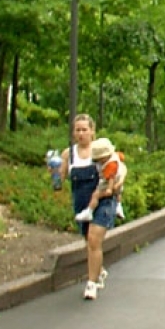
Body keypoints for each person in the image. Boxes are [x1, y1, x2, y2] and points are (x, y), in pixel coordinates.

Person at [61, 115, 123, 301]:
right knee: (88, 241)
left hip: (104, 200)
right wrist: (54, 172)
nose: (80, 134)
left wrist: (113, 189)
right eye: (77, 130)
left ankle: (91, 284)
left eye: (84, 130)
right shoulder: (68, 154)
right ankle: (98, 270)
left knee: (94, 240)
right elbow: (62, 176)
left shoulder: (102, 151)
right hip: (81, 201)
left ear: (92, 132)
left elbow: (119, 172)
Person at [73, 138, 127, 223]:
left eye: (100, 159)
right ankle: (119, 207)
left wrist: (109, 189)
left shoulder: (110, 165)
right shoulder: (115, 155)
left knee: (96, 195)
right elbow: (122, 157)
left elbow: (111, 178)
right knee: (118, 193)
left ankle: (89, 211)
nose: (99, 161)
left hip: (110, 182)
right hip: (118, 179)